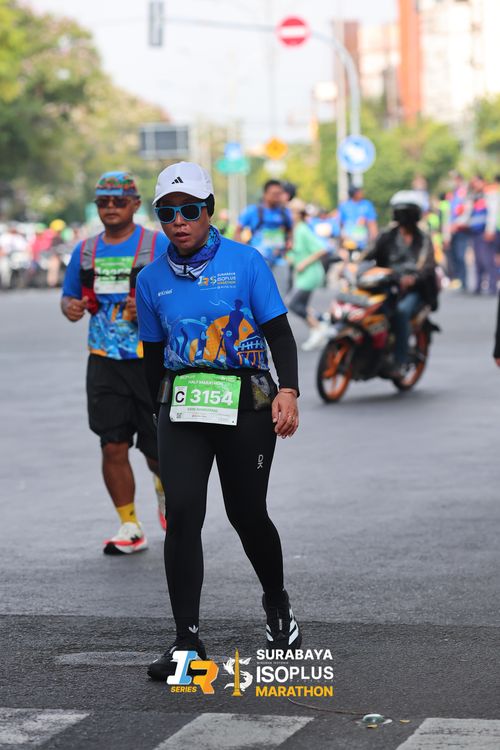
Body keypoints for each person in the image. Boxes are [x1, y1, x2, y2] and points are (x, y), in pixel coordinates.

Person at [135, 161, 302, 680]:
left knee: (247, 514)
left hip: (246, 405)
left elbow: (279, 334)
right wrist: (156, 414)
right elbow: (152, 355)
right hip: (183, 406)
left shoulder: (245, 261)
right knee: (183, 514)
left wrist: (289, 391)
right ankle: (186, 641)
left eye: (189, 210)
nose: (179, 222)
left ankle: (277, 604)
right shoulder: (150, 279)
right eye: (167, 213)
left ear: (208, 210)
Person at [61, 171, 169, 554]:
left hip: (150, 361)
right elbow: (68, 297)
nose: (110, 208)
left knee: (158, 452)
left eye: (119, 201)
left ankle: (165, 491)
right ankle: (129, 525)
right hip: (104, 361)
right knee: (112, 445)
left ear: (135, 204)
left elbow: (180, 296)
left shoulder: (158, 245)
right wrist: (70, 307)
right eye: (103, 202)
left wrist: (150, 309)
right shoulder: (85, 251)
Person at [362, 191, 437, 378]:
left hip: (415, 290)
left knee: (401, 312)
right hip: (386, 284)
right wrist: (353, 265)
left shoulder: (423, 239)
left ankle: (400, 360)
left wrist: (412, 279)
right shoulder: (386, 235)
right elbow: (367, 254)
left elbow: (425, 266)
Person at [286, 199, 328, 351]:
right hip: (303, 275)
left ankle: (318, 329)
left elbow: (321, 249)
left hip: (310, 273)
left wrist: (304, 263)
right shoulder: (295, 230)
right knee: (300, 304)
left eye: (291, 211)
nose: (288, 214)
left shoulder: (303, 229)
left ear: (298, 214)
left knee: (294, 304)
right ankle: (321, 322)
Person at [234, 179, 292, 269]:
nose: (277, 197)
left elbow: (290, 230)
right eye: (274, 194)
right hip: (259, 261)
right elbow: (238, 231)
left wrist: (289, 242)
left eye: (279, 194)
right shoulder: (253, 211)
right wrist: (244, 251)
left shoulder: (285, 212)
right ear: (265, 194)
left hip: (279, 260)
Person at [467, 175, 498, 295]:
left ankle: (492, 287)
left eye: (476, 182)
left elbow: (492, 213)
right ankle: (478, 286)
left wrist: (490, 230)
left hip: (485, 232)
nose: (475, 184)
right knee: (478, 260)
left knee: (488, 260)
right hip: (475, 231)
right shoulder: (475, 196)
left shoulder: (489, 194)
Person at [338, 186, 378, 252]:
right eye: (359, 192)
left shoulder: (367, 205)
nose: (362, 193)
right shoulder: (344, 206)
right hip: (348, 240)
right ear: (354, 194)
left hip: (363, 241)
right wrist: (342, 239)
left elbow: (372, 223)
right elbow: (341, 224)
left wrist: (375, 239)